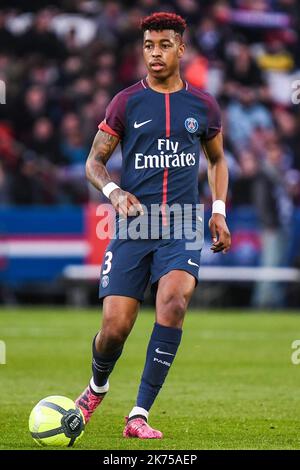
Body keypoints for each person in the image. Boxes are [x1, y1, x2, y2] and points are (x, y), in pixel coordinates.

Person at [75, 12, 231, 439]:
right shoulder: (126, 102)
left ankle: (138, 414)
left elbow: (218, 160)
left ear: (181, 48)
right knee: (115, 328)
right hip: (134, 223)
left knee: (174, 302)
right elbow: (94, 163)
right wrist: (114, 194)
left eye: (164, 45)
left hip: (182, 223)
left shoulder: (203, 105)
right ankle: (96, 388)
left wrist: (218, 209)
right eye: (148, 45)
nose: (155, 53)